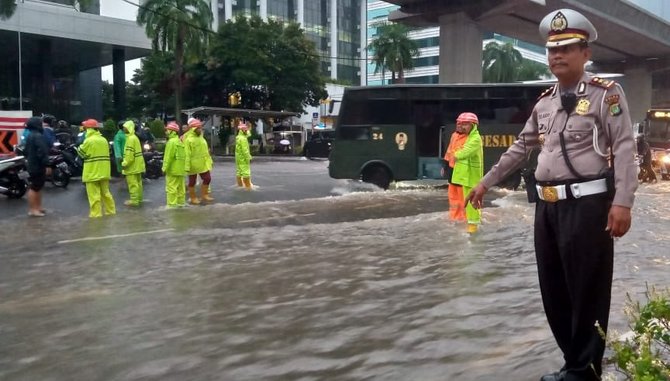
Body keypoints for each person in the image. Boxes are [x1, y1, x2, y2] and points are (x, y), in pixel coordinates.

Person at [466, 9, 637, 381]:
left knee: (587, 290)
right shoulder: (544, 102)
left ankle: (584, 370)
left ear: (586, 53)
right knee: (554, 290)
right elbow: (519, 148)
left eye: (567, 49)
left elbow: (624, 149)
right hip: (547, 207)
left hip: (589, 206)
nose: (557, 56)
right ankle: (573, 363)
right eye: (552, 51)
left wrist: (623, 202)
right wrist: (485, 182)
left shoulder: (606, 95)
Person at [446, 112, 483, 233]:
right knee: (458, 198)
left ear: (473, 125)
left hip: (471, 175)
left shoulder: (475, 139)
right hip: (461, 174)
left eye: (465, 124)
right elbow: (450, 151)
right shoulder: (456, 136)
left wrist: (454, 154)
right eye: (460, 124)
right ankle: (459, 218)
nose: (461, 126)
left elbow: (463, 153)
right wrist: (447, 165)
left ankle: (473, 225)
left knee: (472, 200)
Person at [76, 119, 116, 218]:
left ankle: (96, 215)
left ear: (89, 129)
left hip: (92, 172)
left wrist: (79, 147)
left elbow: (81, 154)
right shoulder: (104, 140)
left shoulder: (88, 141)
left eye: (85, 128)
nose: (84, 130)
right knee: (106, 193)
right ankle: (110, 212)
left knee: (94, 196)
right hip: (104, 172)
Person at [23, 117, 50, 217]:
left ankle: (38, 207)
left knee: (38, 186)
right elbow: (42, 151)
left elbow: (25, 151)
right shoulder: (38, 136)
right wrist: (47, 164)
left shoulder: (30, 135)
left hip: (32, 164)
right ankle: (33, 209)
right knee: (34, 187)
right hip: (37, 165)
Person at [184, 118, 214, 204]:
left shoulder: (201, 138)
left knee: (207, 178)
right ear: (193, 129)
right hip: (192, 164)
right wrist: (187, 166)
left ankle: (204, 195)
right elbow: (187, 154)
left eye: (201, 128)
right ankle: (193, 198)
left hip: (203, 163)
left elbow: (205, 152)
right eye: (199, 128)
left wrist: (209, 161)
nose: (200, 129)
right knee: (192, 182)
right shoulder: (188, 140)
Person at [121, 120, 146, 206]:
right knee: (138, 183)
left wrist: (124, 164)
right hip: (138, 165)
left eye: (125, 127)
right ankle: (139, 199)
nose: (123, 129)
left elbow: (129, 155)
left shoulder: (130, 139)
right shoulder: (134, 137)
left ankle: (134, 201)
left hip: (132, 166)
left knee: (132, 184)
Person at [162, 121, 186, 208]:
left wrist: (164, 168)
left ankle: (172, 206)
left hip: (172, 170)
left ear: (172, 131)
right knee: (180, 189)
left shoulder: (171, 142)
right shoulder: (179, 141)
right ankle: (181, 205)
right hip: (181, 170)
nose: (166, 132)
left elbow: (168, 157)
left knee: (171, 188)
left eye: (168, 130)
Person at [235, 121, 253, 189]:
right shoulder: (243, 139)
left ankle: (240, 186)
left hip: (238, 158)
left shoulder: (239, 137)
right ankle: (248, 187)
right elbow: (245, 150)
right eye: (245, 129)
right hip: (243, 159)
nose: (247, 130)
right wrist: (249, 158)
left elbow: (247, 134)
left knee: (239, 172)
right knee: (246, 173)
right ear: (242, 130)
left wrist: (248, 128)